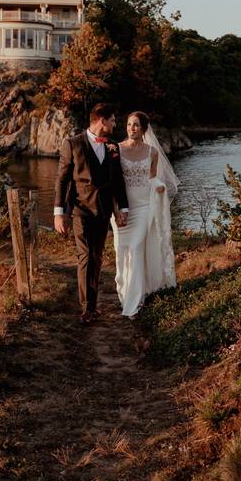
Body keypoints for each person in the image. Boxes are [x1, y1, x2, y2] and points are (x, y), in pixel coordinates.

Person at [54, 103, 129, 324]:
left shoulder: (113, 146)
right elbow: (62, 180)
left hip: (104, 210)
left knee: (96, 257)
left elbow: (118, 181)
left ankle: (93, 306)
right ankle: (86, 309)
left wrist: (122, 208)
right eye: (113, 121)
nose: (116, 124)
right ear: (102, 121)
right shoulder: (73, 144)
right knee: (85, 255)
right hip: (80, 210)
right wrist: (59, 213)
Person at [111, 111, 179, 317]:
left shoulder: (152, 152)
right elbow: (113, 182)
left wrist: (159, 185)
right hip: (122, 209)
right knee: (122, 251)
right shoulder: (116, 151)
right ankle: (124, 292)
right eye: (129, 124)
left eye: (136, 125)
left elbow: (151, 177)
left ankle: (134, 302)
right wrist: (115, 208)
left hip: (142, 208)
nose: (132, 128)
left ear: (143, 129)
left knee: (136, 248)